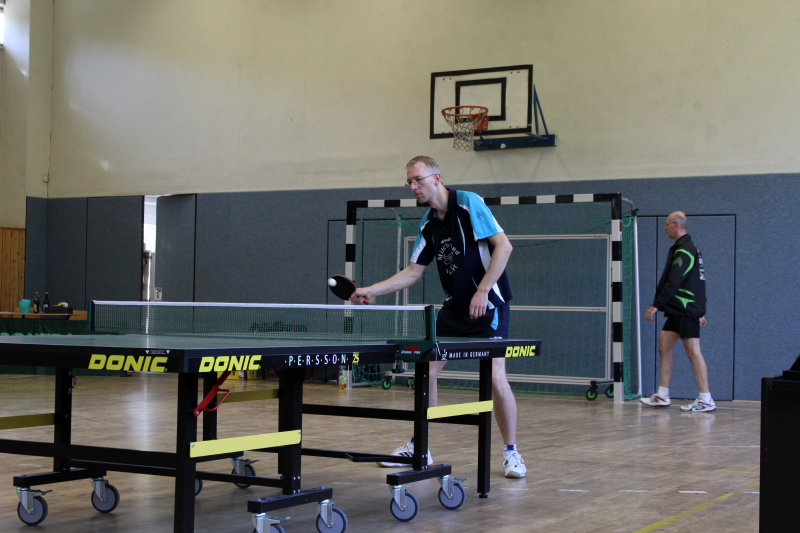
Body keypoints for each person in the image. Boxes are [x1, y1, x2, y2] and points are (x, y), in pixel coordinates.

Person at [349, 155, 526, 478]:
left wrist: (483, 290)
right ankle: (421, 446)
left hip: (489, 306)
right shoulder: (429, 224)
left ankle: (511, 452)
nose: (413, 187)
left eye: (417, 180)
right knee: (425, 371)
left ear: (437, 178)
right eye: (409, 182)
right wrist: (372, 290)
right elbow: (413, 271)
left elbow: (504, 247)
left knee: (495, 378)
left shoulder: (468, 204)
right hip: (454, 310)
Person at [641, 211, 715, 412]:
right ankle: (662, 395)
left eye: (667, 224)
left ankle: (706, 399)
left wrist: (656, 305)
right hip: (678, 309)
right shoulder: (683, 248)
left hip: (685, 309)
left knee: (693, 351)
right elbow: (695, 280)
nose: (664, 228)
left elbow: (675, 280)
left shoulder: (685, 250)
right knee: (664, 345)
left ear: (676, 225)